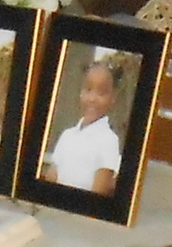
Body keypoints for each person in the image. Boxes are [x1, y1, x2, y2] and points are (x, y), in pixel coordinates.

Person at [46, 53, 128, 196]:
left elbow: (99, 191)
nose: (92, 99)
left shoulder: (108, 140)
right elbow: (51, 178)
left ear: (112, 98)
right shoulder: (67, 135)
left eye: (101, 93)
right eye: (88, 90)